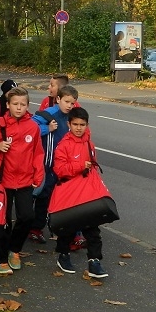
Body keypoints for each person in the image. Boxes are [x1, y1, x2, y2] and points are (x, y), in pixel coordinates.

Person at [0, 87, 44, 276]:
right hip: (2, 181)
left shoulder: (33, 127)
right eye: (15, 104)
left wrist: (38, 175)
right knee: (3, 221)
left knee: (27, 217)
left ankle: (14, 249)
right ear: (7, 105)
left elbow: (38, 153)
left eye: (23, 104)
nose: (19, 107)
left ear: (28, 106)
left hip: (24, 180)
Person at [51, 107, 109, 278]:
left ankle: (94, 261)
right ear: (69, 124)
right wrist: (80, 166)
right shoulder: (63, 145)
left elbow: (93, 168)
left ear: (87, 125)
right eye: (75, 124)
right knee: (68, 228)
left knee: (93, 229)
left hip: (87, 194)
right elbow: (59, 170)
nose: (78, 128)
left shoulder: (89, 144)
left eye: (82, 125)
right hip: (70, 194)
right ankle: (63, 255)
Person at [29, 84, 80, 243]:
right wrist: (47, 128)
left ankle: (69, 234)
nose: (69, 106)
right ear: (58, 99)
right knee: (44, 196)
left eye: (72, 103)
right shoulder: (49, 114)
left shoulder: (72, 117)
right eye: (66, 102)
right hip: (48, 164)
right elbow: (29, 128)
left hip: (64, 166)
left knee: (65, 198)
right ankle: (36, 228)